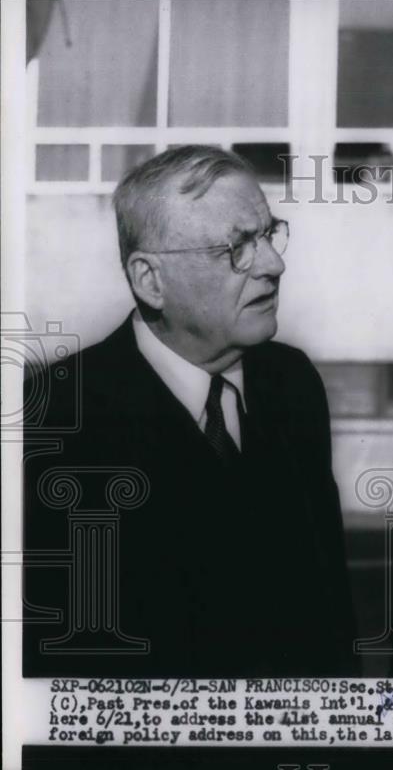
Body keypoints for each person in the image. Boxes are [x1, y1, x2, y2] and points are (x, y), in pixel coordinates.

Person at [23, 146, 357, 677]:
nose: (274, 263)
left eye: (269, 234)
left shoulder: (292, 385)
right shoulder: (52, 420)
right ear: (150, 281)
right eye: (237, 247)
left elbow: (331, 616)